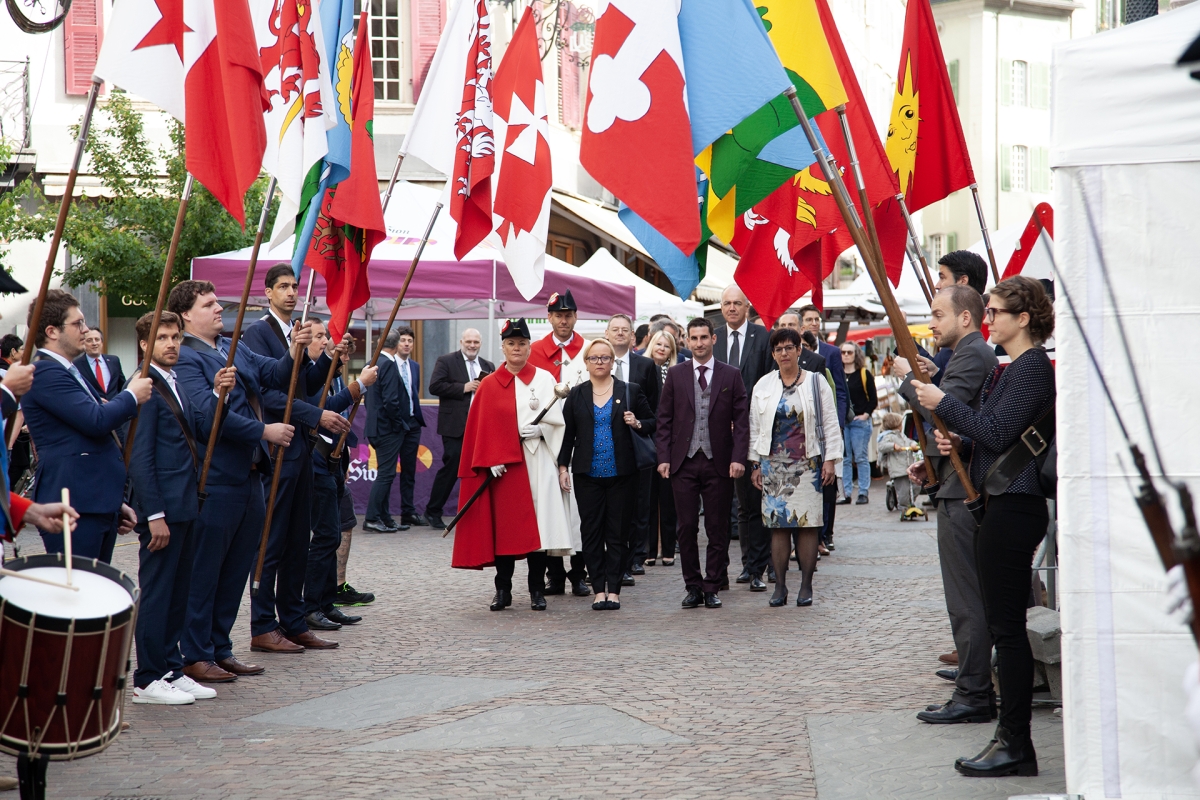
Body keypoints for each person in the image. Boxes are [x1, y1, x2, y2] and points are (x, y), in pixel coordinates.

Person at [911, 276, 1055, 777]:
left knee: (1007, 629)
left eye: (995, 311)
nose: (987, 318)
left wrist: (943, 402)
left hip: (1016, 506)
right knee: (1003, 624)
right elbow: (994, 437)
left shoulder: (1031, 368)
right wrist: (961, 444)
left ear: (1023, 318)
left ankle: (1015, 742)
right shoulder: (1011, 368)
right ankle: (1010, 738)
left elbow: (996, 429)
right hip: (1002, 502)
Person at [169, 279, 319, 673]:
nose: (219, 308)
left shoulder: (231, 346)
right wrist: (263, 431)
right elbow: (206, 418)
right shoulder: (186, 358)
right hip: (215, 477)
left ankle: (220, 648)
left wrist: (295, 348)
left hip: (251, 476)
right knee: (205, 572)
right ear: (186, 315)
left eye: (217, 302)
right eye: (209, 304)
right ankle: (196, 653)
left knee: (235, 571)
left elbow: (275, 374)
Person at [896, 286, 999, 723]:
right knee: (968, 595)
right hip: (956, 479)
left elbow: (942, 412)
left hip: (966, 489)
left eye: (939, 314)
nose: (932, 323)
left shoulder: (973, 354)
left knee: (966, 597)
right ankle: (973, 685)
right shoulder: (966, 354)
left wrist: (909, 377)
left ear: (965, 318)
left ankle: (973, 692)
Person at [128, 311, 236, 705]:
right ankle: (147, 677)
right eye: (162, 338)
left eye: (175, 337)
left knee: (178, 593)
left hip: (187, 502)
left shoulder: (173, 382)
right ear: (144, 345)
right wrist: (153, 514)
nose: (172, 344)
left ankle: (171, 668)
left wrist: (218, 394)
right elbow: (140, 458)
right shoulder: (144, 386)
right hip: (164, 509)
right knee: (158, 593)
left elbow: (202, 430)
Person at [240, 264, 346, 650]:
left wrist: (330, 360)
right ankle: (263, 625)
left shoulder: (295, 330)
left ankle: (293, 619)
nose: (290, 292)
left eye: (294, 286)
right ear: (267, 292)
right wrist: (316, 415)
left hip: (301, 448)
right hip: (276, 448)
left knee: (299, 539)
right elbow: (266, 393)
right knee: (272, 540)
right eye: (282, 286)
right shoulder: (258, 333)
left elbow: (306, 383)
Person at [451, 318, 576, 612]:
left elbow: (559, 423)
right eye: (511, 343)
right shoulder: (489, 384)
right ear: (503, 347)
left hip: (538, 462)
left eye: (521, 343)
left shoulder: (545, 379)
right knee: (506, 529)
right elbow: (480, 430)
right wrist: (490, 459)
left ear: (529, 347)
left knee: (539, 529)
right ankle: (503, 589)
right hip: (505, 469)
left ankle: (536, 590)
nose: (516, 348)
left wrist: (542, 430)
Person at [21, 290, 149, 562]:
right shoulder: (45, 372)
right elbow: (96, 420)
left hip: (94, 501)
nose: (86, 329)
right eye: (78, 323)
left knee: (96, 584)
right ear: (52, 331)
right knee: (78, 583)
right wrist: (131, 395)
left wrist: (114, 502)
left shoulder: (69, 370)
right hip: (73, 503)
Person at [655, 317, 749, 609]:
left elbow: (742, 422)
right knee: (686, 527)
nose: (699, 343)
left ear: (713, 339)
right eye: (694, 338)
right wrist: (663, 458)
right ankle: (693, 586)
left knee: (717, 527)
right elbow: (664, 419)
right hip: (682, 462)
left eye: (704, 337)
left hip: (718, 461)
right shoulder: (676, 374)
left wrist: (738, 458)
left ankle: (712, 585)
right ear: (687, 341)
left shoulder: (731, 375)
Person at [558, 338, 655, 609]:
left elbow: (652, 422)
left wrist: (636, 422)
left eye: (605, 358)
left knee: (617, 534)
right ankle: (598, 590)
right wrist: (563, 467)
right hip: (587, 475)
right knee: (590, 533)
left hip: (622, 475)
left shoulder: (630, 390)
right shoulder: (576, 394)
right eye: (594, 358)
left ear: (613, 362)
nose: (599, 362)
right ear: (586, 363)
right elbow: (567, 434)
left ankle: (614, 591)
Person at [748, 327, 840, 607]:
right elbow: (755, 427)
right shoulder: (763, 385)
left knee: (808, 525)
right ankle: (780, 586)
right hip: (773, 465)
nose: (784, 353)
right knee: (778, 527)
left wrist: (830, 459)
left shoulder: (816, 382)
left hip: (808, 464)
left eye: (789, 347)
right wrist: (755, 463)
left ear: (800, 350)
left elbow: (830, 421)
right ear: (773, 354)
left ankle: (806, 585)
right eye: (779, 349)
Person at [303, 320, 377, 631]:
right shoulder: (305, 374)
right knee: (324, 536)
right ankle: (310, 606)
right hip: (315, 461)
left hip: (333, 462)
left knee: (333, 535)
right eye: (319, 336)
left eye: (326, 336)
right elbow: (323, 409)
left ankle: (327, 602)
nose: (325, 342)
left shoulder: (330, 373)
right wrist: (359, 385)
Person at [527, 290, 588, 596]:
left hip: (579, 439)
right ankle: (555, 574)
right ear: (549, 318)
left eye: (568, 315)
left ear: (575, 317)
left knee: (577, 509)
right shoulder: (534, 350)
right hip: (544, 440)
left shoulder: (587, 350)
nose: (564, 321)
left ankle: (579, 573)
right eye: (558, 316)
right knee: (550, 507)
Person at [714, 285, 772, 593]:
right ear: (721, 307)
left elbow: (768, 384)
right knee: (726, 504)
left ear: (747, 306)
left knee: (753, 502)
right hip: (717, 433)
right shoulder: (713, 338)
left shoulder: (762, 338)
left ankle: (756, 566)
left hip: (753, 431)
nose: (732, 308)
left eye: (737, 303)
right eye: (727, 303)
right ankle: (728, 567)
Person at [605, 313, 659, 581]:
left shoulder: (646, 365)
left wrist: (642, 426)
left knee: (640, 502)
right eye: (615, 329)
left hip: (637, 442)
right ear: (606, 334)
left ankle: (637, 556)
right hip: (605, 443)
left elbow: (655, 408)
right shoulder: (598, 362)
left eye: (624, 330)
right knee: (614, 504)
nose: (619, 333)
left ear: (632, 336)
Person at [426, 328, 494, 529]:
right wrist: (463, 387)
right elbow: (434, 386)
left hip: (480, 426)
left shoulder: (488, 366)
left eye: (476, 342)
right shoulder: (446, 361)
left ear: (480, 344)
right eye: (469, 342)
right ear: (461, 342)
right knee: (452, 466)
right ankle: (433, 511)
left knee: (481, 468)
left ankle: (478, 511)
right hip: (455, 425)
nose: (472, 345)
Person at [799, 305, 848, 552]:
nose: (814, 323)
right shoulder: (790, 352)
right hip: (801, 432)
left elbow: (840, 391)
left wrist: (837, 424)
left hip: (827, 428)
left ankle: (826, 533)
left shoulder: (831, 353)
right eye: (809, 319)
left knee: (829, 482)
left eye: (816, 319)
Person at [363, 330, 409, 532]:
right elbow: (391, 400)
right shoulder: (388, 364)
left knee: (386, 473)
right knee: (386, 474)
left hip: (376, 427)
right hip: (387, 428)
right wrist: (398, 423)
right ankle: (372, 518)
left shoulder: (372, 363)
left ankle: (384, 517)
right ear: (397, 344)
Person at [644, 330, 678, 566]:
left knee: (668, 499)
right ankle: (648, 550)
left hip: (672, 441)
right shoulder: (643, 369)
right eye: (659, 344)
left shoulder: (676, 372)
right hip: (647, 438)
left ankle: (668, 548)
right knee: (648, 499)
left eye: (667, 346)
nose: (662, 349)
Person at [929, 251, 990, 379]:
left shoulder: (985, 327)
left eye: (943, 277)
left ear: (963, 281)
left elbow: (949, 388)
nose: (937, 285)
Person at [838, 342, 877, 504]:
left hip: (859, 422)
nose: (846, 355)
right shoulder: (838, 374)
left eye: (850, 352)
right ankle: (846, 493)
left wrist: (865, 415)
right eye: (843, 352)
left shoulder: (864, 373)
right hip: (843, 422)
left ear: (856, 354)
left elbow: (873, 399)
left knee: (860, 457)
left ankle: (863, 492)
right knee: (845, 459)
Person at [876, 413, 919, 513]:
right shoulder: (887, 436)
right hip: (898, 469)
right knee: (903, 490)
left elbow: (909, 441)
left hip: (908, 466)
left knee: (916, 486)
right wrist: (893, 446)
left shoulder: (902, 435)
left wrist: (914, 445)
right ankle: (903, 506)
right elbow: (882, 446)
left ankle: (910, 502)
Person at [74, 328, 126, 402]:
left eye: (97, 339)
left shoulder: (114, 361)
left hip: (116, 406)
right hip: (93, 407)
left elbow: (122, 386)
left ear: (102, 342)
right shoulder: (76, 365)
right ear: (83, 343)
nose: (94, 343)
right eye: (89, 340)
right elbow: (77, 392)